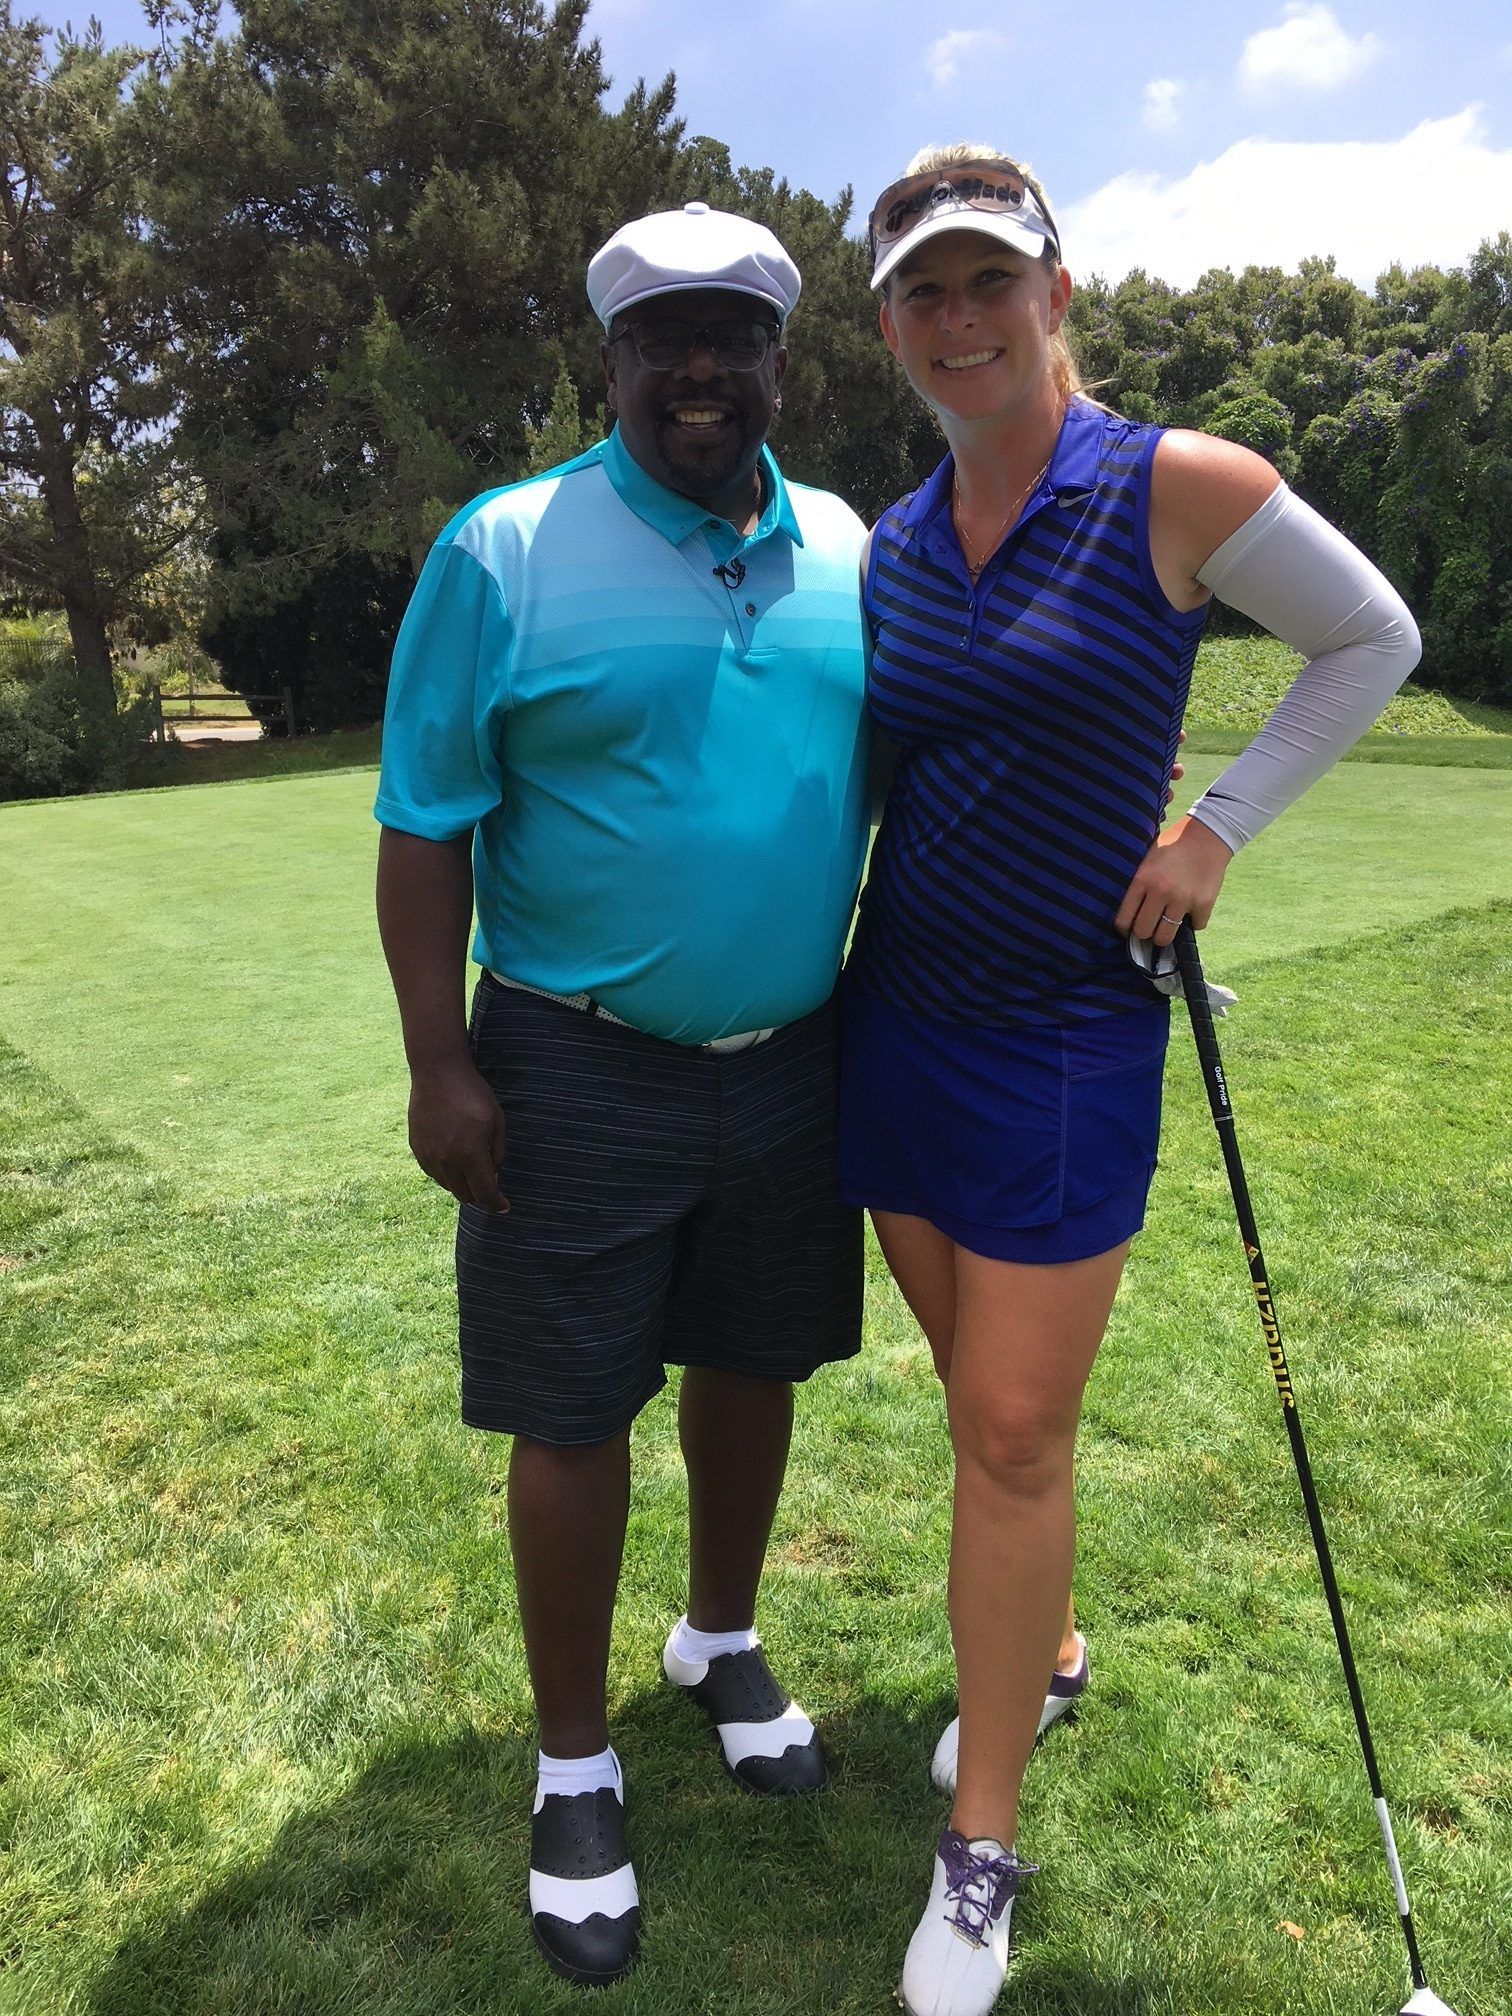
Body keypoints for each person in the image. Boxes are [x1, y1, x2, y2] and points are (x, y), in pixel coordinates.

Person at [839, 146, 1421, 2016]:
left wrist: (1220, 829)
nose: (958, 320)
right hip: (900, 1016)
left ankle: (981, 1844)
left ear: (1057, 293)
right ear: (890, 329)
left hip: (1070, 1029)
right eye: (922, 293)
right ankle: (1051, 1636)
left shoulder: (1175, 485)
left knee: (1014, 1428)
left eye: (986, 282)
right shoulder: (900, 542)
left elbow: (1371, 637)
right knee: (973, 1387)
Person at [373, 202, 875, 1988]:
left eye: (730, 334)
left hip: (796, 1059)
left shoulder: (846, 543)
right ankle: (573, 1758)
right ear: (609, 360)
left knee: (754, 1368)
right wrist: (441, 1058)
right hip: (573, 1057)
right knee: (573, 1409)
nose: (696, 367)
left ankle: (719, 1638)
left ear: (779, 362)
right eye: (661, 335)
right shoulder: (504, 547)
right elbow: (424, 819)